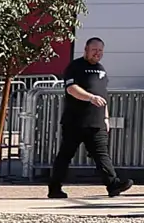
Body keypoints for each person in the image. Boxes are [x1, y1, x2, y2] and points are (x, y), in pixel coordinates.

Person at [48, 36, 128, 198]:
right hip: (75, 121)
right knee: (65, 154)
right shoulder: (75, 67)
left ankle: (113, 185)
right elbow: (71, 88)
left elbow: (103, 94)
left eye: (100, 51)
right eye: (94, 50)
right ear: (86, 50)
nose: (97, 53)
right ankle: (54, 188)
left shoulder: (101, 69)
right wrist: (90, 97)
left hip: (96, 121)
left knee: (101, 154)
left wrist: (106, 118)